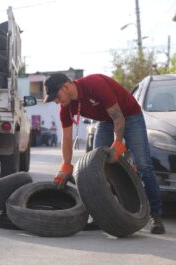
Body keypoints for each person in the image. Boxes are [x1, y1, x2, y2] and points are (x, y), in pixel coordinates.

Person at [43, 73, 165, 234]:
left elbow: (119, 117)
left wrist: (117, 144)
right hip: (105, 121)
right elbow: (66, 138)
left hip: (129, 115)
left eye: (57, 97)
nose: (57, 102)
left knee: (143, 165)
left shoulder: (95, 85)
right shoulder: (66, 108)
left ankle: (155, 215)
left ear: (66, 86)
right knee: (95, 166)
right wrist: (66, 165)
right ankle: (100, 215)